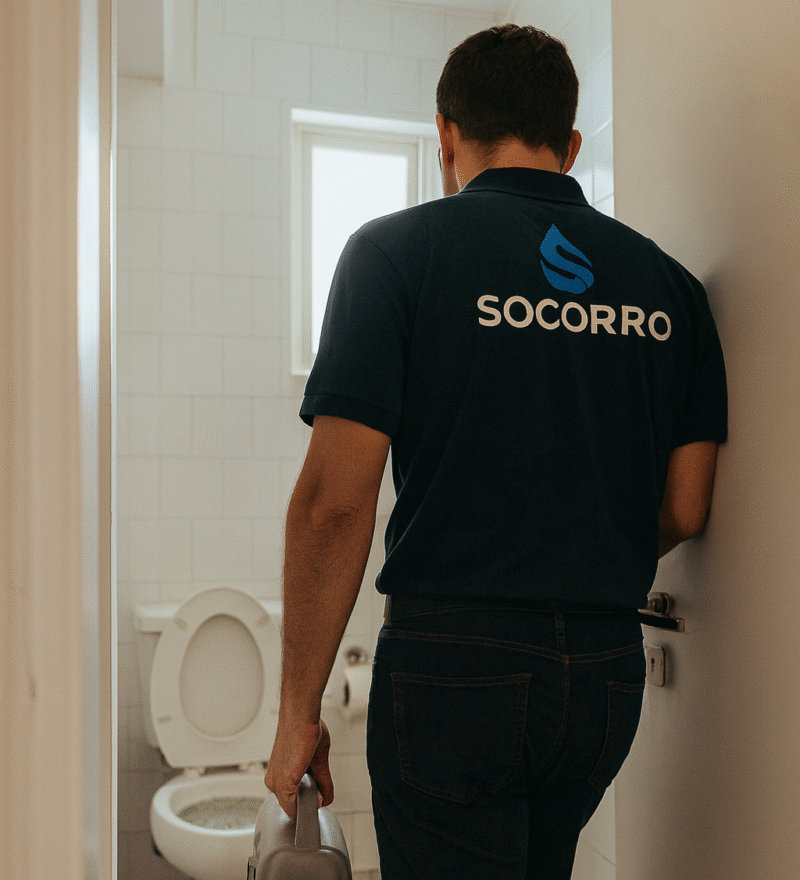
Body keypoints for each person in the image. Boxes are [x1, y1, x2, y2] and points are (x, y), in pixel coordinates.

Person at [265, 24, 727, 880]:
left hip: (453, 670)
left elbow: (334, 503)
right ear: (570, 145)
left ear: (445, 135)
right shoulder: (672, 290)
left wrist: (298, 711)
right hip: (603, 674)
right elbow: (686, 506)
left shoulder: (393, 254)